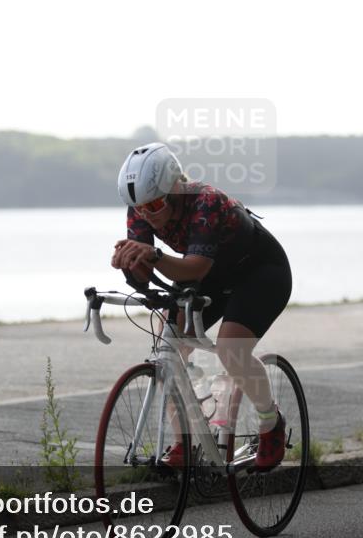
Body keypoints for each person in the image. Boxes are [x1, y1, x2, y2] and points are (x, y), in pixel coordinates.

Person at [109, 142, 293, 471]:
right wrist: (130, 261)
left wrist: (151, 255)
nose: (148, 213)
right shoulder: (141, 206)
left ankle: (270, 423)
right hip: (209, 277)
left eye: (155, 203)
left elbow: (194, 267)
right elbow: (146, 272)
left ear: (175, 188)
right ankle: (184, 444)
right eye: (140, 207)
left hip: (260, 272)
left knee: (231, 349)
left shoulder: (205, 201)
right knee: (169, 347)